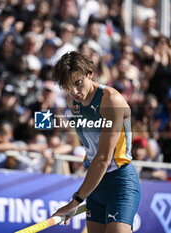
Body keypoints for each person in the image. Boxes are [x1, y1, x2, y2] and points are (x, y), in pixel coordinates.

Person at [51, 51, 140, 233]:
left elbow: (103, 158)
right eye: (68, 87)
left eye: (78, 83)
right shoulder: (72, 102)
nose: (74, 92)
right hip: (95, 184)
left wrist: (75, 201)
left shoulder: (111, 100)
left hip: (119, 182)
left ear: (90, 74)